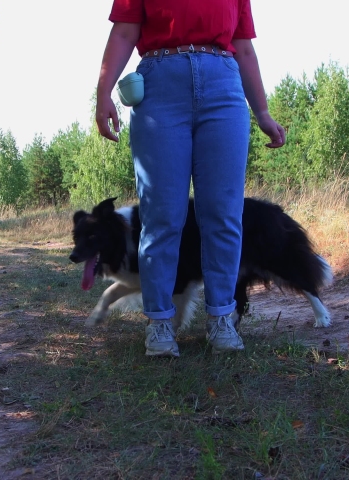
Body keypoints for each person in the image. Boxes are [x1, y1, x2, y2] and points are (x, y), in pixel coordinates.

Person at [95, 0, 286, 357]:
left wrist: (262, 111)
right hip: (160, 87)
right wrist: (103, 92)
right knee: (162, 216)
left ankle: (221, 319)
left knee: (223, 214)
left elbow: (243, 46)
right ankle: (159, 324)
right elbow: (124, 30)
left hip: (223, 87)